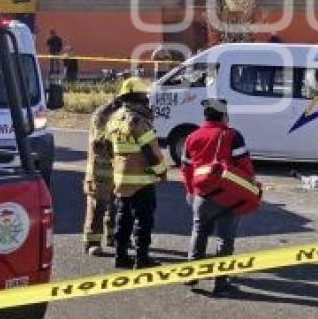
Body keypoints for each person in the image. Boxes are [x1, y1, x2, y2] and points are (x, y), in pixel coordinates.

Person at [181, 98, 255, 295]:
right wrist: (251, 186)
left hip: (201, 195)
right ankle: (220, 282)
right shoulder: (232, 135)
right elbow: (245, 165)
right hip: (228, 197)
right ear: (224, 115)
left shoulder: (192, 137)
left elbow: (186, 169)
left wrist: (190, 191)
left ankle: (191, 273)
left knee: (199, 232)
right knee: (225, 238)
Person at [104, 77, 167, 269]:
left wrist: (117, 165)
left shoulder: (114, 119)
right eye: (144, 95)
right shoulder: (139, 121)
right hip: (142, 180)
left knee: (123, 218)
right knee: (143, 220)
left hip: (122, 180)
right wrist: (161, 172)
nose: (147, 99)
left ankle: (120, 256)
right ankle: (142, 259)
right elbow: (151, 152)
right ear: (138, 97)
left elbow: (107, 146)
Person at [82, 96, 120, 256]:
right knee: (97, 206)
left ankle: (113, 236)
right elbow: (99, 141)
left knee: (116, 205)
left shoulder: (123, 115)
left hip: (117, 171)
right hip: (99, 171)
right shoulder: (101, 115)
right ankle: (92, 242)